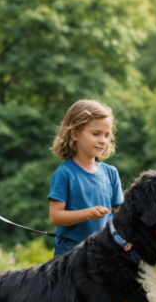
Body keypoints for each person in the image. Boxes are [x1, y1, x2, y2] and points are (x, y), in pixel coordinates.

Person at [47, 99, 123, 257]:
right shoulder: (65, 174)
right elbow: (55, 217)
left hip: (101, 254)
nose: (103, 140)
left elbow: (122, 213)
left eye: (107, 135)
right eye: (96, 134)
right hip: (68, 257)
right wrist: (88, 213)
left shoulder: (111, 173)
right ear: (74, 134)